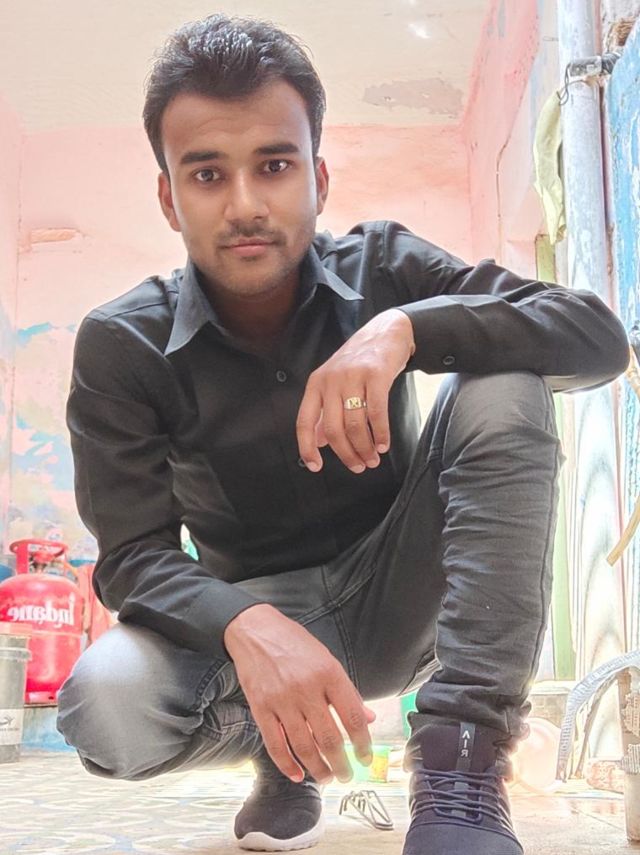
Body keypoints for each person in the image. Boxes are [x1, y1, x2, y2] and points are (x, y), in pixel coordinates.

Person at [56, 13, 629, 855]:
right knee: (103, 702)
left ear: (318, 177)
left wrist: (410, 328)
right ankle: (281, 750)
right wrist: (249, 626)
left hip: (405, 598)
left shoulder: (384, 266)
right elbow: (132, 558)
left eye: (274, 165)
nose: (245, 205)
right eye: (208, 174)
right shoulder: (122, 343)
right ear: (169, 197)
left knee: (504, 379)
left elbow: (595, 337)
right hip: (244, 624)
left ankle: (463, 767)